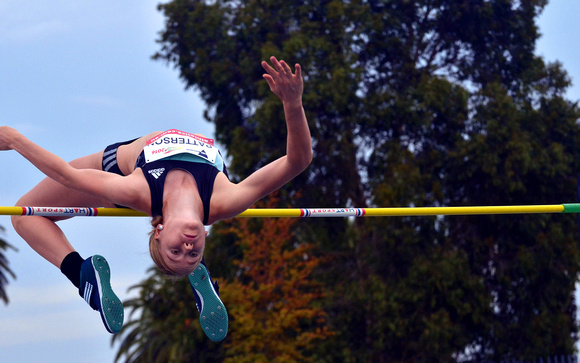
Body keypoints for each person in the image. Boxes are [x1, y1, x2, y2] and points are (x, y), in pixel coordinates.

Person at [0, 56, 312, 341]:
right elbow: (296, 161)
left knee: (24, 215)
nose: (188, 247)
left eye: (177, 250)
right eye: (192, 253)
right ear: (205, 236)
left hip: (117, 167)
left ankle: (82, 275)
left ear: (159, 231)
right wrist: (293, 103)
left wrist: (14, 139)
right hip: (166, 181)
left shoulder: (137, 189)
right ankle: (198, 278)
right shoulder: (224, 201)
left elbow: (67, 175)